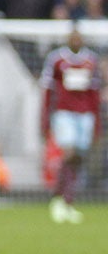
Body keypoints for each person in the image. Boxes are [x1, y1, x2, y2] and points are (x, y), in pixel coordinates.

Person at [40, 24, 102, 224]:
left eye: (78, 37)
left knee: (78, 158)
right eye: (72, 36)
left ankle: (67, 201)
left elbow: (95, 93)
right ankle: (58, 199)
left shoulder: (91, 60)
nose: (76, 39)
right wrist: (44, 119)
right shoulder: (56, 59)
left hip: (85, 115)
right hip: (64, 112)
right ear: (68, 38)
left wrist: (97, 122)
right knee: (69, 153)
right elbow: (48, 89)